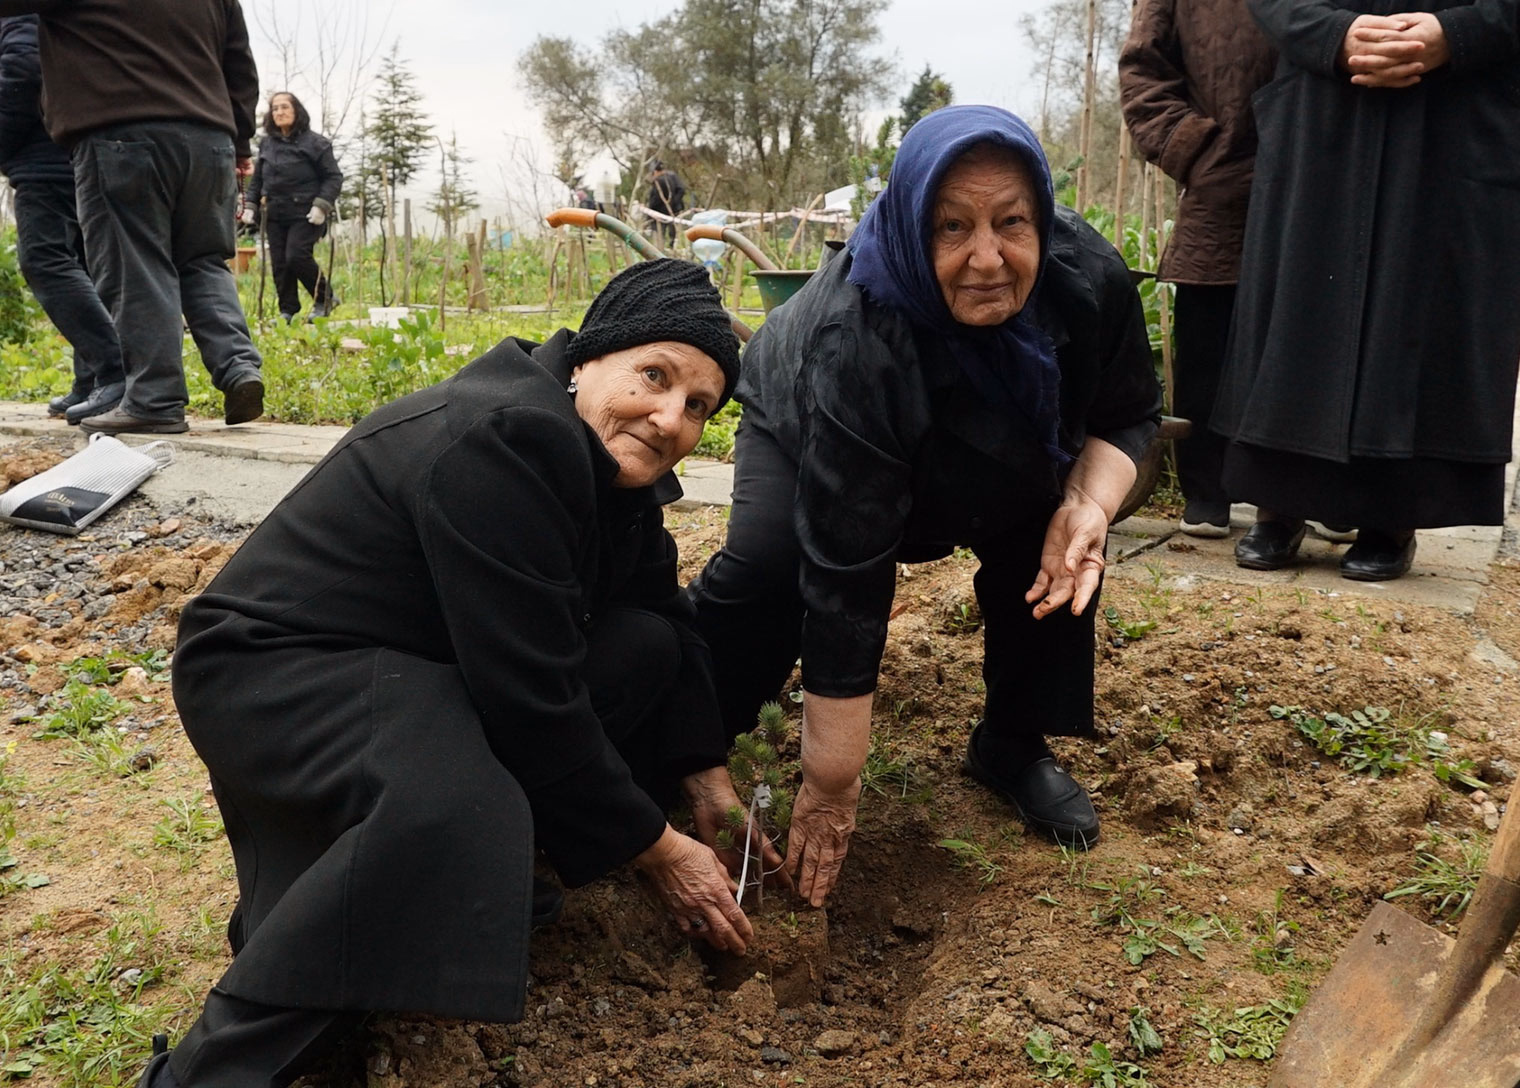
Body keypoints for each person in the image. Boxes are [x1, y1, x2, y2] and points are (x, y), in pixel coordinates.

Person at [141, 260, 768, 1088]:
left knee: (642, 647)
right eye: (653, 377)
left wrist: (706, 777)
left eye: (698, 408)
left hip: (407, 667)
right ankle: (210, 1071)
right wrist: (658, 851)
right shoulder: (506, 438)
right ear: (586, 360)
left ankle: (485, 875)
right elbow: (530, 698)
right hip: (276, 667)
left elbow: (669, 622)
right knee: (452, 804)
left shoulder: (607, 469)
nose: (667, 418)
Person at [688, 105, 1161, 907]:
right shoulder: (858, 339)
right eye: (952, 227)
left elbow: (1126, 413)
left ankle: (1011, 743)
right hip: (807, 419)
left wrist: (1089, 500)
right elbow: (850, 573)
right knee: (772, 564)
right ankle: (687, 739)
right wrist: (832, 783)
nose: (988, 258)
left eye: (1011, 222)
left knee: (1051, 545)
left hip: (997, 437)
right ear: (914, 225)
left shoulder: (1087, 279)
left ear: (1041, 214)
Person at [1213, 3, 1520, 581]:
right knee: (1298, 308)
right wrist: (1334, 36)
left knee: (1421, 307)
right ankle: (1278, 504)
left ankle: (1392, 516)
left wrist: (1458, 35)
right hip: (1323, 103)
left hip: (1457, 109)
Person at [0, 0, 266, 436]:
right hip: (210, 138)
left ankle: (153, 399)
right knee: (201, 260)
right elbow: (240, 61)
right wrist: (239, 139)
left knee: (134, 268)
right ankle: (238, 368)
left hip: (121, 132)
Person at [1118, 0, 1277, 539]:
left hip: (1319, 178)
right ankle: (1208, 488)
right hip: (1221, 187)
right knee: (1208, 340)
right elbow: (1142, 68)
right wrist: (1195, 148)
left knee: (1314, 336)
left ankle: (1310, 491)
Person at [0, 14, 124, 424]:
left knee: (44, 259)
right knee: (82, 268)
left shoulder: (17, 16)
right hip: (72, 156)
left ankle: (113, 369)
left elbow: (24, 72)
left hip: (45, 161)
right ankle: (91, 380)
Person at [242, 91, 342, 323]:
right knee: (280, 263)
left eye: (285, 107)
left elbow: (333, 177)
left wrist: (322, 205)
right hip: (274, 213)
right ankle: (288, 310)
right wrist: (250, 204)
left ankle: (325, 299)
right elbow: (258, 180)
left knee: (296, 256)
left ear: (297, 110)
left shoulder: (316, 143)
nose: (280, 112)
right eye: (275, 108)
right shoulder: (268, 144)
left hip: (306, 213)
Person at [646, 158, 685, 246]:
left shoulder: (664, 179)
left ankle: (670, 245)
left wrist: (673, 203)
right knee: (664, 232)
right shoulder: (667, 178)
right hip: (664, 211)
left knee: (670, 233)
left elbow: (681, 190)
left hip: (670, 210)